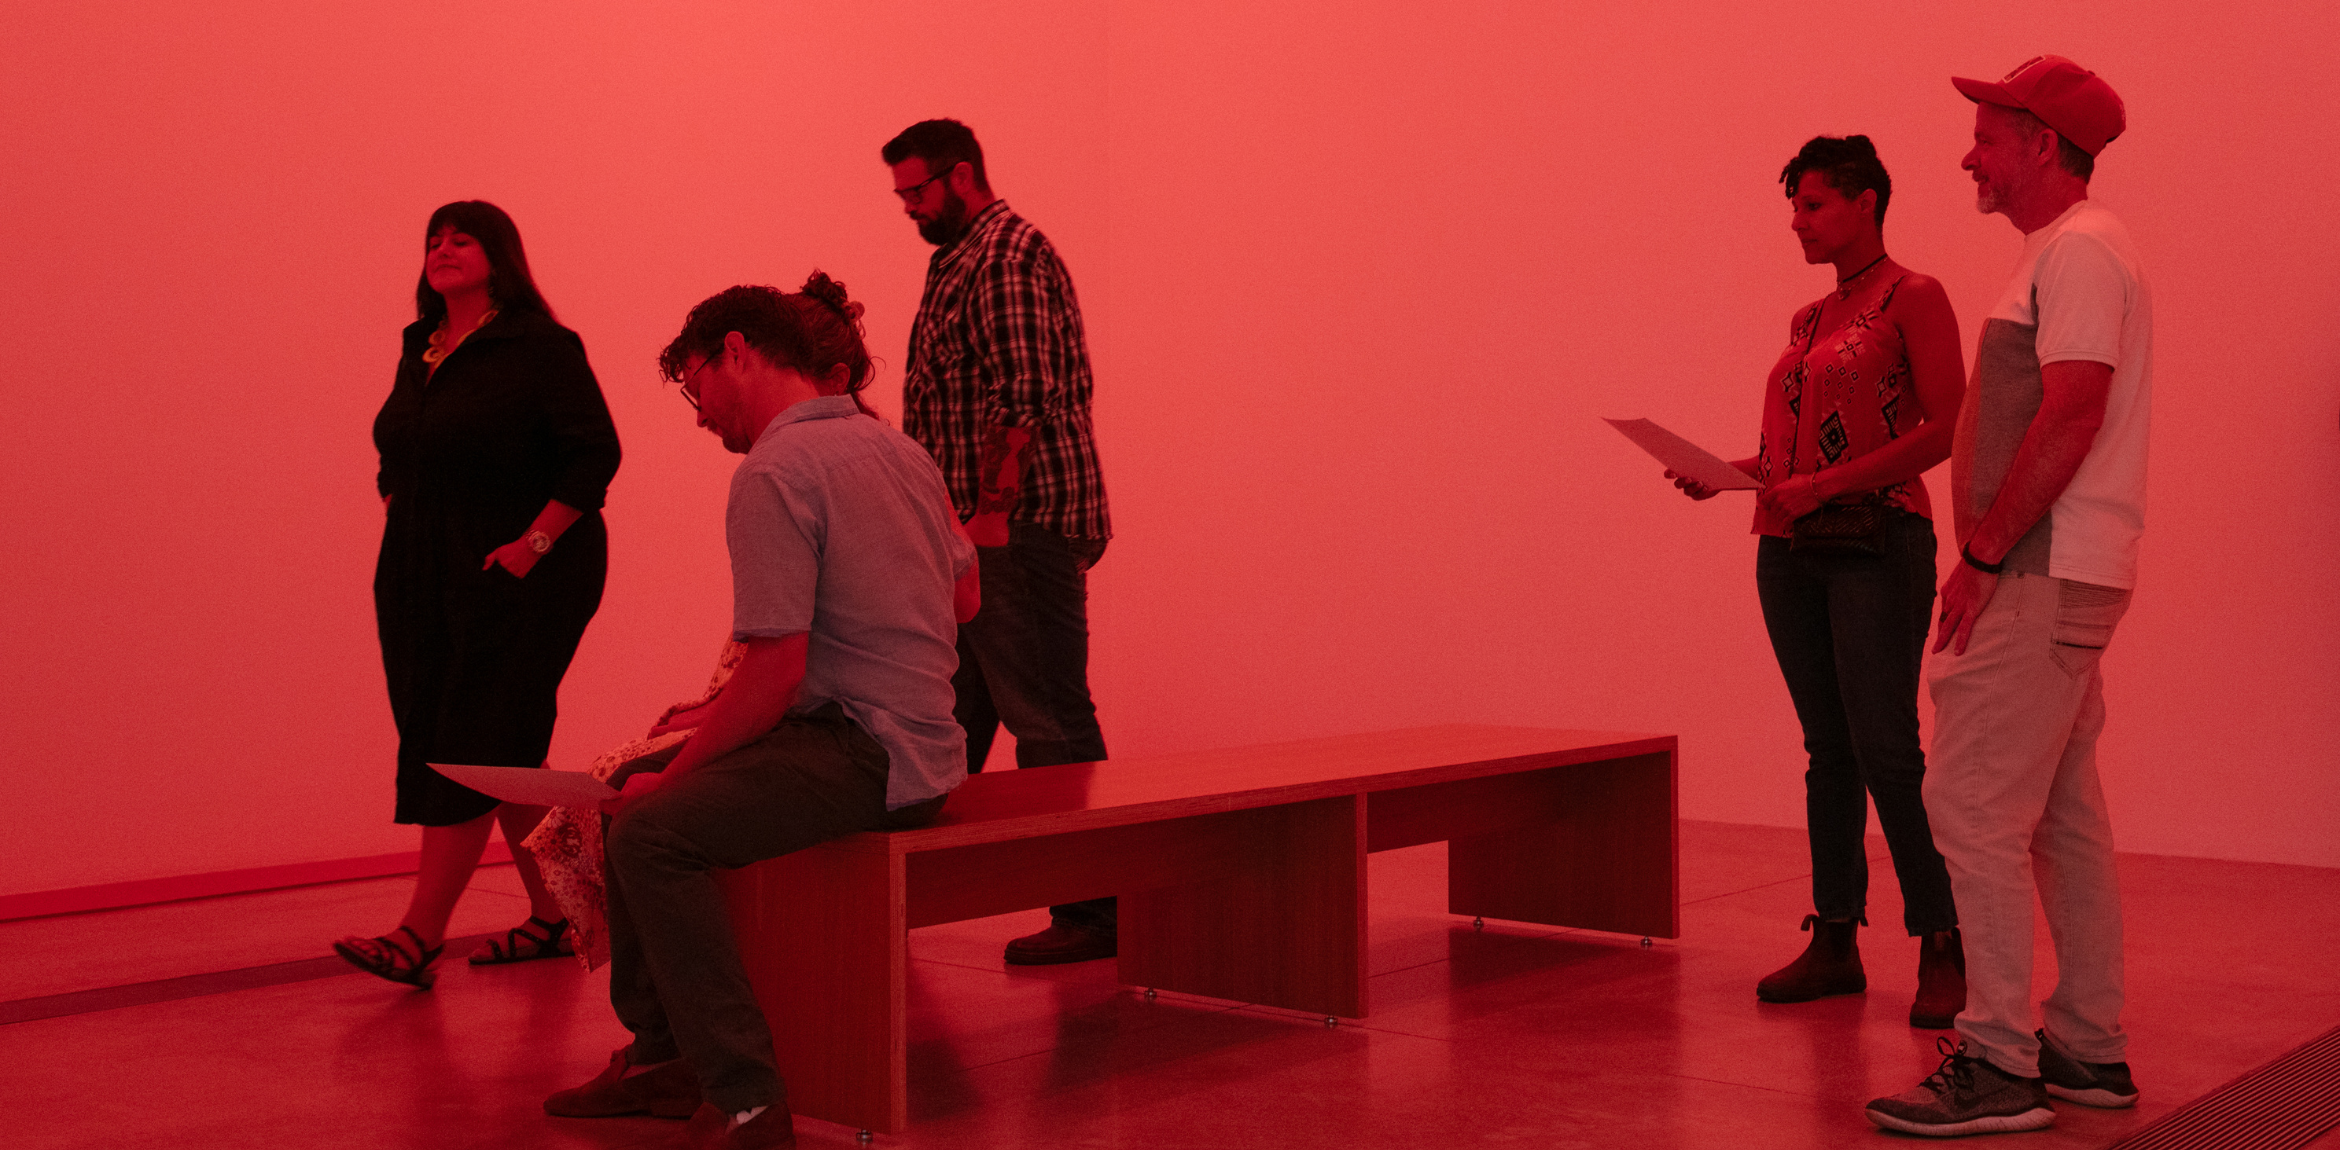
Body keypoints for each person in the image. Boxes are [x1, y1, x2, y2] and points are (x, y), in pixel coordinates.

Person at [544, 277, 978, 1150]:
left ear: (736, 353)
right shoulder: (897, 450)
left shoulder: (775, 470)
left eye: (694, 383)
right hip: (925, 740)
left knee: (650, 829)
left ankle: (747, 1097)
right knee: (626, 786)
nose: (699, 411)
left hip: (867, 753)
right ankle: (665, 1056)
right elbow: (964, 599)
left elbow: (776, 673)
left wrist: (682, 762)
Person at [1866, 56, 2153, 1137]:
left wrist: (1983, 557)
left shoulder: (2078, 252)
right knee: (2058, 815)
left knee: (1972, 808)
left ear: (2042, 143)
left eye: (1988, 135)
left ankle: (1995, 1059)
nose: (1968, 154)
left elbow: (2072, 413)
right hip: (2061, 572)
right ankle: (2085, 1045)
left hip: (2035, 574)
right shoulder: (2068, 254)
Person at [1671, 136, 1967, 1027]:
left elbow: (1947, 426)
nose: (1797, 223)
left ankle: (1944, 940)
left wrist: (1826, 485)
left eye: (1813, 204)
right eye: (1794, 206)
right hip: (1789, 544)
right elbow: (1787, 454)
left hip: (1879, 540)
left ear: (1866, 201)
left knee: (1887, 748)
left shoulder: (1914, 297)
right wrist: (1727, 471)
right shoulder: (1808, 321)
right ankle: (1835, 935)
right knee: (1827, 749)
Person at [336, 200, 621, 987]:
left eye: (461, 237)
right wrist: (401, 502)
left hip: (528, 570)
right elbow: (400, 445)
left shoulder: (539, 346)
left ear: (499, 254)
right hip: (425, 571)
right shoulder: (420, 347)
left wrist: (531, 547)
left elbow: (594, 454)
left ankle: (419, 934)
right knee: (485, 741)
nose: (443, 248)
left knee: (472, 739)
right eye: (432, 239)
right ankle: (562, 911)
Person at [882, 119, 1118, 965]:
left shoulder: (1005, 256)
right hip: (978, 535)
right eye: (901, 194)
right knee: (951, 717)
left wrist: (989, 515)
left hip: (1016, 529)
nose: (909, 207)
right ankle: (893, 898)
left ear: (963, 174)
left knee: (1047, 716)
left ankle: (1096, 911)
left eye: (918, 191)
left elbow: (1025, 395)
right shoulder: (961, 258)